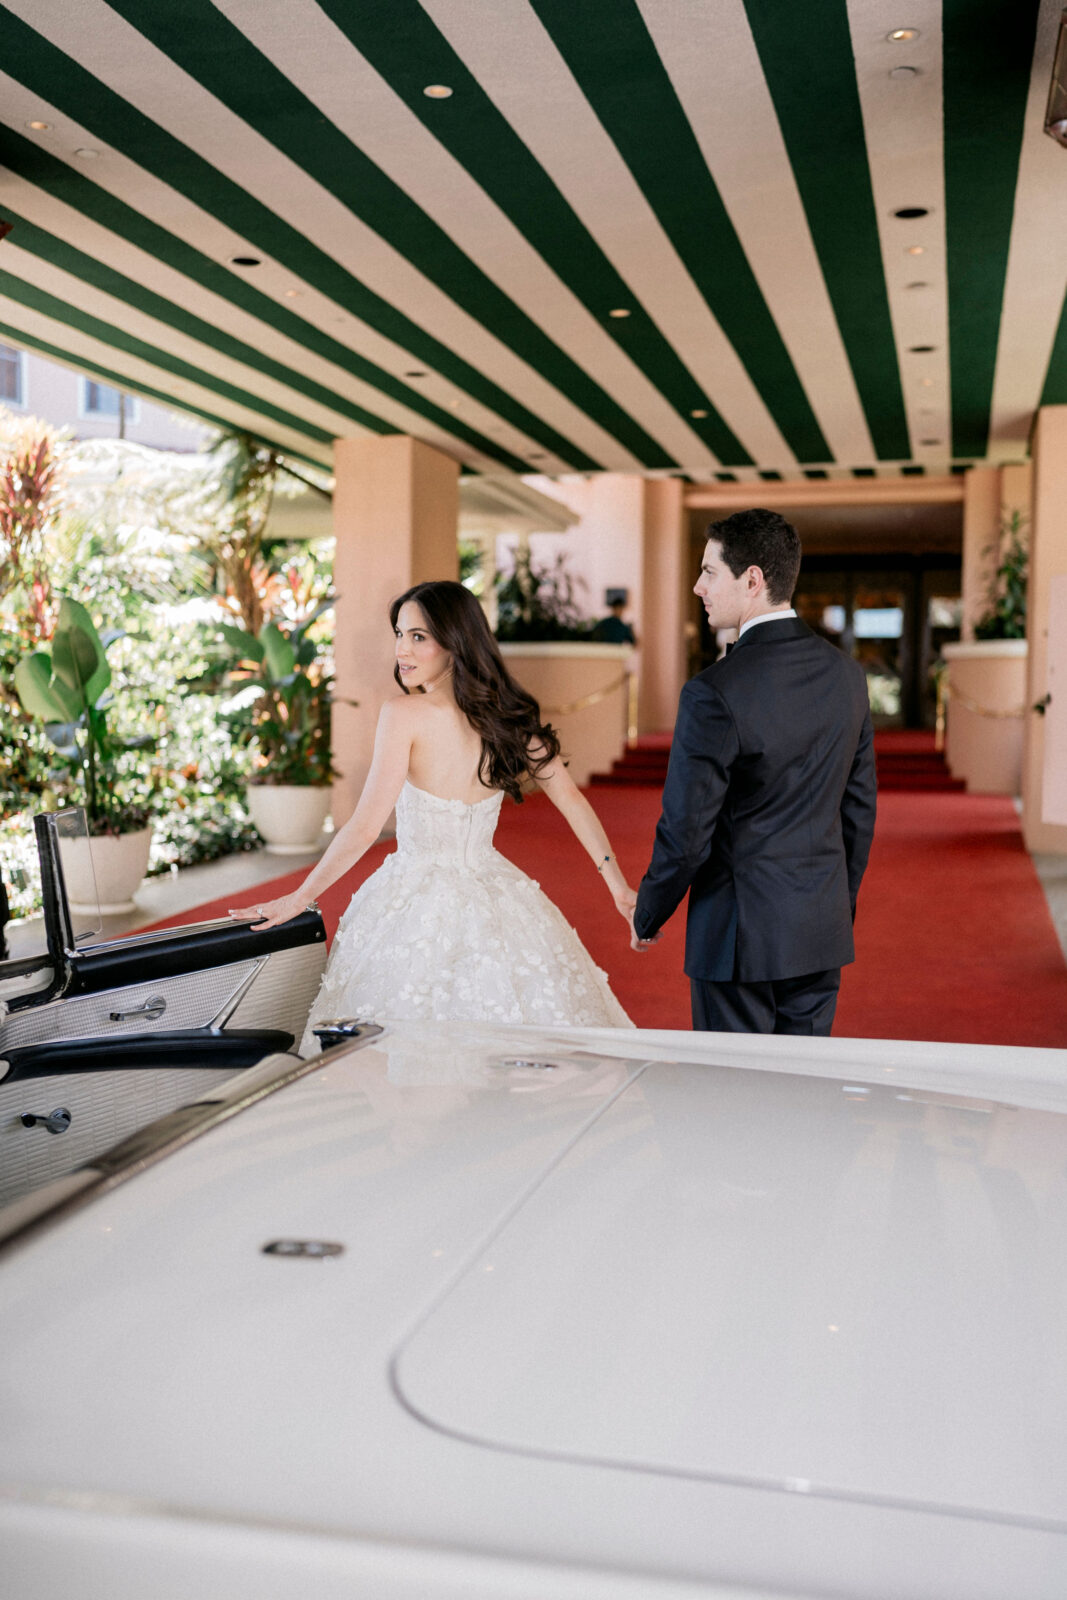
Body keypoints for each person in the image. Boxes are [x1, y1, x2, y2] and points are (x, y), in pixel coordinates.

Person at [231, 580, 635, 1046]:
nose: (402, 650)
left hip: (411, 903)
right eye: (400, 634)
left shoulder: (404, 713)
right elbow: (572, 801)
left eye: (418, 637)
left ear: (456, 642)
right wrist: (617, 885)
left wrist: (299, 896)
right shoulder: (507, 720)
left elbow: (365, 827)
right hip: (500, 900)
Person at [631, 509, 877, 1036]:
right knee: (800, 1097)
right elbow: (857, 812)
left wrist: (648, 912)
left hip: (740, 937)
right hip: (819, 928)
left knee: (734, 1103)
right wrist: (835, 906)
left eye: (708, 571)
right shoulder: (847, 677)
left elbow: (687, 832)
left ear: (752, 579)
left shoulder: (713, 691)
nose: (698, 586)